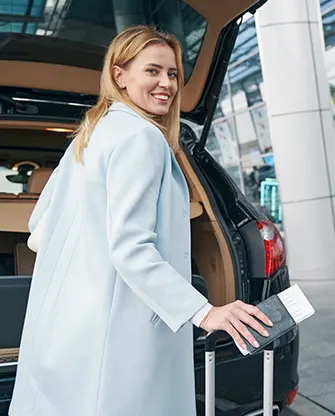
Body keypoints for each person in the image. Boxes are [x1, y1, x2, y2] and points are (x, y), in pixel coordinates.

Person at [9, 25, 272, 416]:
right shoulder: (142, 139)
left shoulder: (91, 134)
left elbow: (40, 228)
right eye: (152, 71)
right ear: (120, 75)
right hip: (120, 344)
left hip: (68, 336)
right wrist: (205, 311)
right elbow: (131, 248)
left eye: (172, 73)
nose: (166, 83)